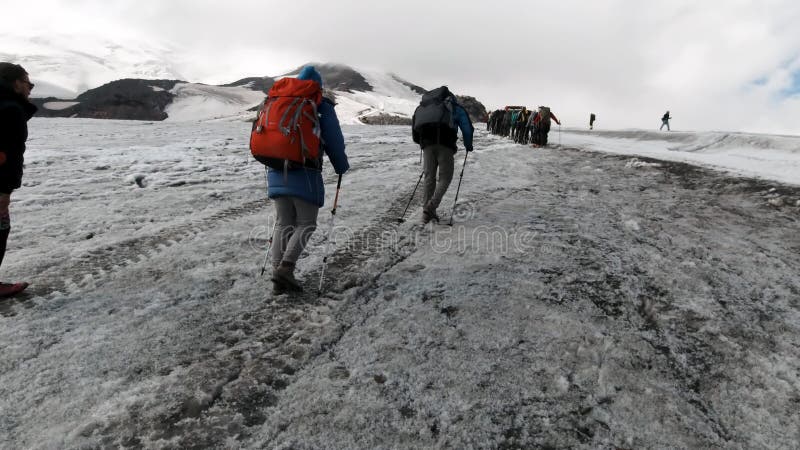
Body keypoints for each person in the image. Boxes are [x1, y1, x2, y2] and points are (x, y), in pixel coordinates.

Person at [267, 66, 349, 292]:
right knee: (307, 223)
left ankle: (277, 273)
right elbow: (333, 140)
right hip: (305, 172)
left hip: (275, 169)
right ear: (317, 86)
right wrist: (341, 166)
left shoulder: (279, 100)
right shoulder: (320, 104)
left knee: (283, 223)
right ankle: (285, 269)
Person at [411, 86, 474, 224]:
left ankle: (426, 214)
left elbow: (415, 129)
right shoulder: (452, 106)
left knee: (429, 177)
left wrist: (423, 143)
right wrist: (468, 145)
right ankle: (431, 207)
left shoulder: (423, 107)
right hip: (445, 145)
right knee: (445, 177)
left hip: (427, 145)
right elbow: (467, 127)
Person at [0, 63, 37, 298]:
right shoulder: (10, 109)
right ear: (15, 83)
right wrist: (4, 191)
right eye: (27, 82)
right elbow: (8, 154)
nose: (30, 88)